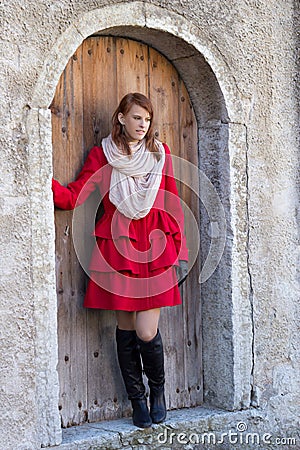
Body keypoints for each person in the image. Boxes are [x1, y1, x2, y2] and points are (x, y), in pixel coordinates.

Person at [52, 92, 188, 428]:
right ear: (121, 118)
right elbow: (77, 194)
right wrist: (41, 183)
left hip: (154, 249)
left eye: (148, 119)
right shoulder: (103, 155)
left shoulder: (160, 153)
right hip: (118, 246)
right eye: (137, 117)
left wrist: (179, 251)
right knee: (125, 329)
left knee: (146, 331)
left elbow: (171, 201)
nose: (143, 125)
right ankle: (137, 400)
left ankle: (158, 392)